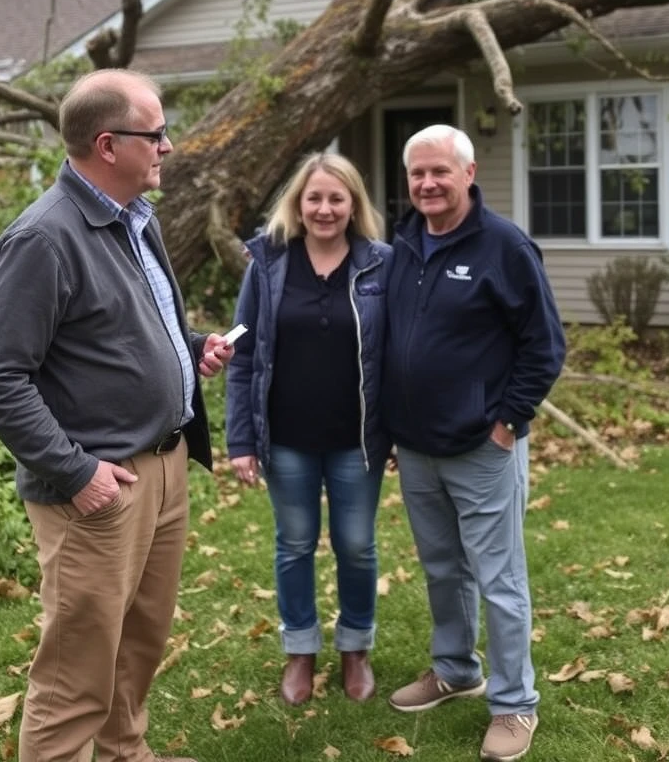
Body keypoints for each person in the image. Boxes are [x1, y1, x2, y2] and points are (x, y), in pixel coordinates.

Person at [0, 68, 234, 762]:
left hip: (164, 468)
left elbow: (119, 328)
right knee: (75, 674)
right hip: (98, 490)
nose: (169, 146)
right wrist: (75, 472)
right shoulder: (44, 239)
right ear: (109, 145)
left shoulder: (134, 220)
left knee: (138, 644)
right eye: (157, 134)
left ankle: (125, 753)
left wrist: (189, 348)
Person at [383, 124, 565, 762]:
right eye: (417, 174)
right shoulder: (402, 243)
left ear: (469, 172)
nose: (427, 184)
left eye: (439, 172)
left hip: (483, 447)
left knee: (500, 578)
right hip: (415, 447)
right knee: (441, 569)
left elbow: (545, 346)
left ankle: (515, 703)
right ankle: (456, 669)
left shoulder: (504, 246)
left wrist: (508, 421)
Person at [225, 152, 392, 706]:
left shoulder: (379, 265)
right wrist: (240, 439)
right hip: (286, 438)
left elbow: (396, 354)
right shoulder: (267, 265)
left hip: (356, 440)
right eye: (314, 198)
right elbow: (242, 353)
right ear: (299, 203)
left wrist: (399, 430)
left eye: (336, 198)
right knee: (295, 544)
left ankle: (354, 649)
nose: (324, 209)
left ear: (353, 205)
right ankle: (300, 650)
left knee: (357, 546)